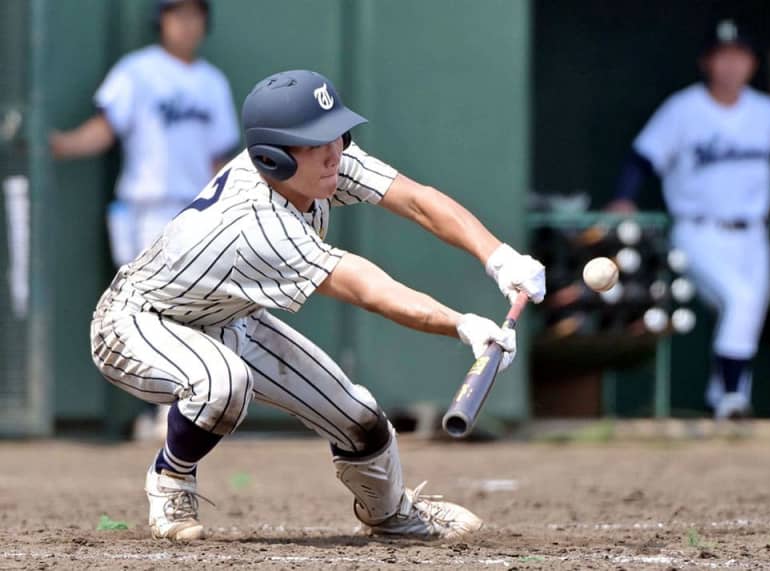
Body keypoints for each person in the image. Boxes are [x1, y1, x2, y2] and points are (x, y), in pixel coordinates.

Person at [90, 69, 546, 541]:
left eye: (337, 133)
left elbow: (415, 200)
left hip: (225, 317)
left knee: (361, 419)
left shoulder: (321, 163)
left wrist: (500, 258)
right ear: (273, 156)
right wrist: (462, 324)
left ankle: (391, 514)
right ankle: (171, 477)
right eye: (315, 141)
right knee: (222, 384)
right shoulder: (257, 225)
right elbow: (369, 289)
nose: (334, 151)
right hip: (137, 322)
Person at [51, 0, 239, 439]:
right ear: (161, 21)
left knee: (194, 312)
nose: (186, 24)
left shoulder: (212, 82)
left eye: (194, 15)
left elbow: (219, 159)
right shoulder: (137, 70)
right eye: (177, 14)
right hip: (145, 208)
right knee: (146, 314)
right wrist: (58, 145)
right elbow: (104, 129)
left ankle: (183, 412)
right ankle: (163, 412)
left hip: (197, 211)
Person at [608, 19, 770, 419]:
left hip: (752, 233)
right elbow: (642, 158)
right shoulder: (684, 109)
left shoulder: (767, 113)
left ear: (750, 64)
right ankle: (732, 397)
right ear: (707, 63)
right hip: (699, 230)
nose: (731, 66)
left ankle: (723, 401)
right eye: (723, 57)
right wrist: (624, 197)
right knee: (742, 302)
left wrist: (762, 191)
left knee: (745, 312)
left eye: (739, 58)